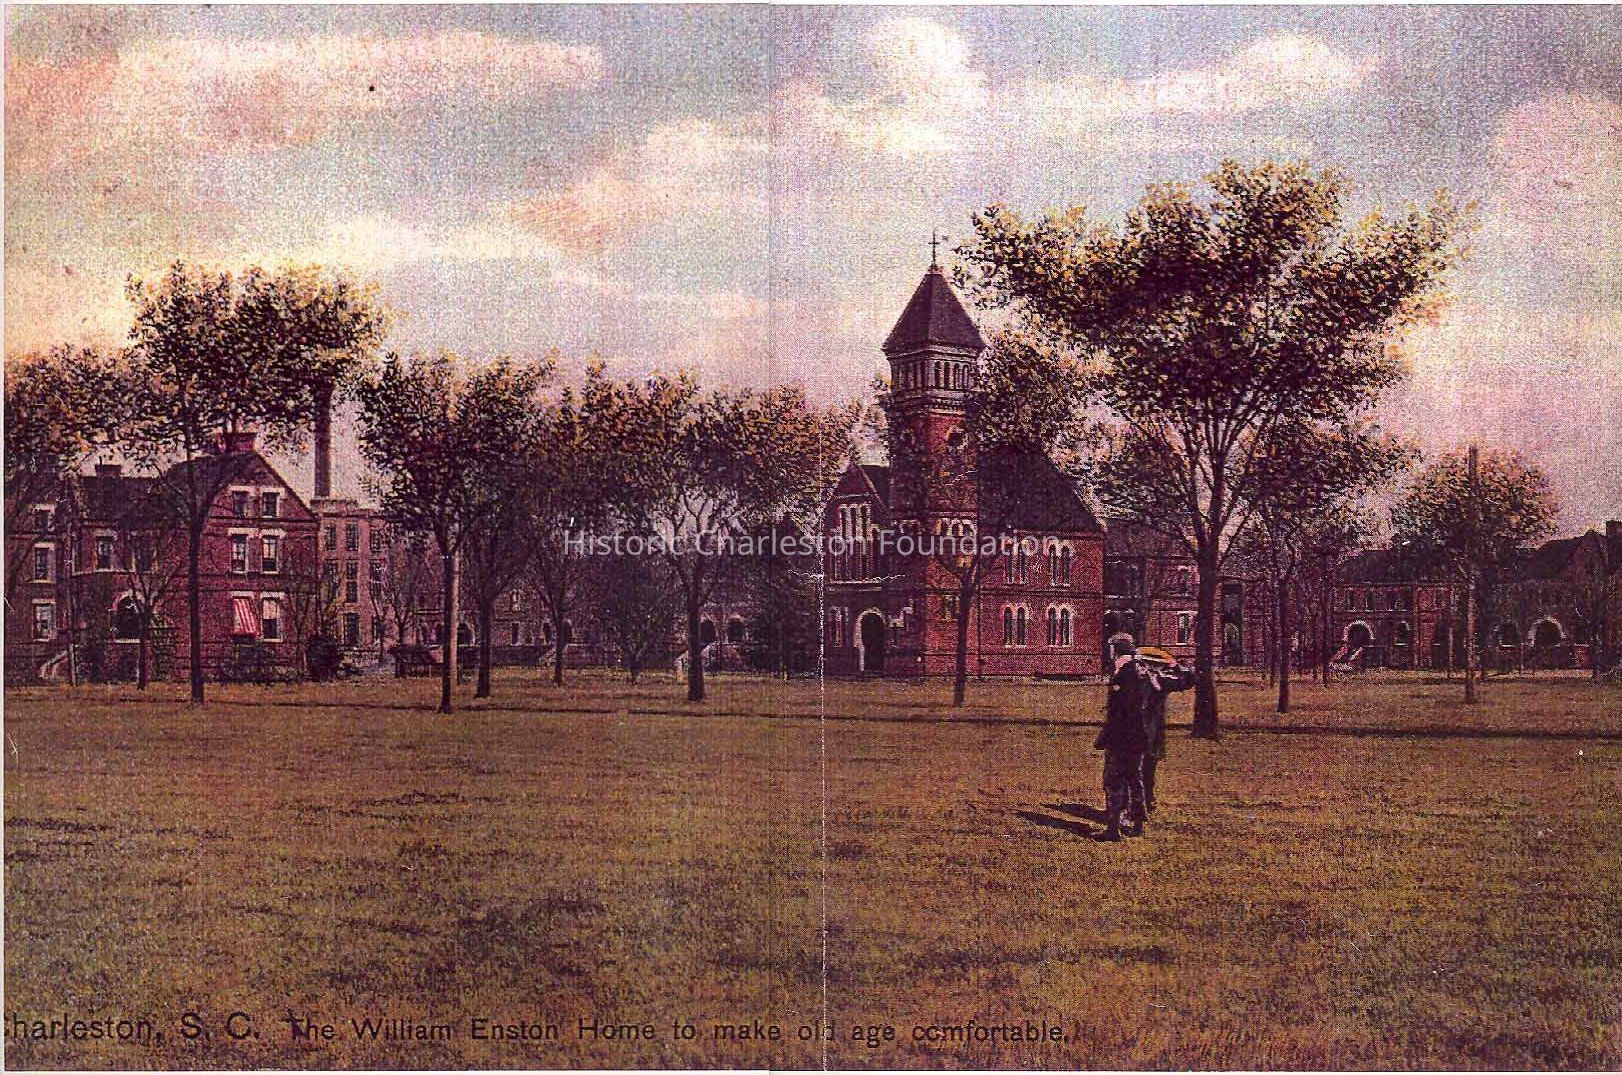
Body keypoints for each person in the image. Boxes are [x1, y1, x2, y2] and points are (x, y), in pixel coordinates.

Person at [1094, 633, 1152, 842]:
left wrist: (1109, 736)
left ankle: (1113, 829)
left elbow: (1123, 710)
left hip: (1122, 737)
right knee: (1135, 780)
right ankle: (1137, 824)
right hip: (1137, 736)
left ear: (1116, 649)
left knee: (1114, 781)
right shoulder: (1138, 669)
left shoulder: (1125, 672)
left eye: (1110, 648)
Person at [1135, 646, 1195, 816]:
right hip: (1135, 731)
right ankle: (1135, 806)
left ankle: (1148, 801)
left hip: (1153, 733)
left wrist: (1176, 666)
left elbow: (1189, 681)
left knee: (1148, 770)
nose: (1151, 668)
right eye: (1148, 664)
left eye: (1156, 665)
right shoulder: (1134, 679)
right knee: (1134, 770)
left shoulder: (1162, 680)